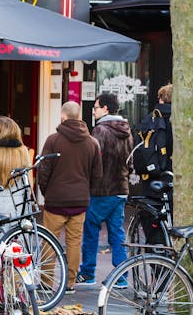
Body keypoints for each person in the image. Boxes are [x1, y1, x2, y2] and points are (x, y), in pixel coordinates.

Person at [39, 101, 103, 294]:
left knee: (49, 241)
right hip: (80, 201)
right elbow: (97, 175)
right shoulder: (92, 142)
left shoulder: (53, 140)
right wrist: (87, 193)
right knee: (74, 243)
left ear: (63, 117)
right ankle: (70, 283)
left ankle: (46, 281)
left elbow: (43, 171)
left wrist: (46, 192)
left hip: (55, 201)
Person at [77, 93, 132, 287]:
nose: (94, 110)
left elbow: (93, 160)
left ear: (106, 109)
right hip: (120, 189)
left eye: (96, 107)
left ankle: (87, 273)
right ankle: (122, 276)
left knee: (91, 230)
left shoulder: (100, 131)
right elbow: (130, 161)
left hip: (101, 190)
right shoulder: (126, 130)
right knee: (117, 233)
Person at [136, 83, 174, 244]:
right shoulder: (180, 120)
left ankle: (156, 262)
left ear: (161, 99)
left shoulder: (149, 119)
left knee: (152, 224)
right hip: (173, 178)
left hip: (151, 180)